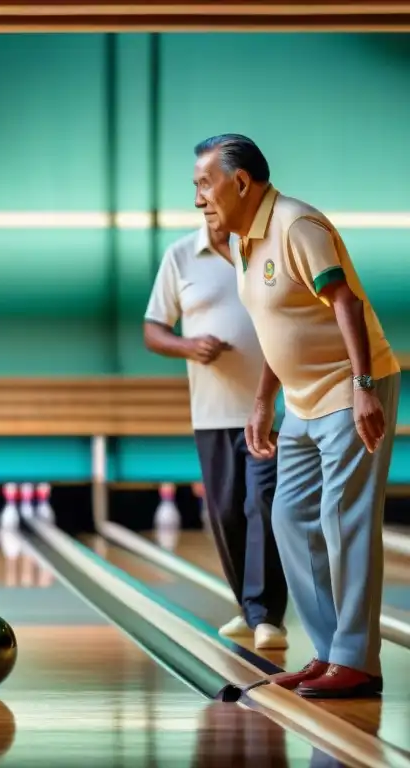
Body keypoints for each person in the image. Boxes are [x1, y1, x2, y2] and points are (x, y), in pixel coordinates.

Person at [192, 133, 400, 699]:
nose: (198, 199)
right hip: (303, 401)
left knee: (343, 519)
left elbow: (345, 304)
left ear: (239, 182)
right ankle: (331, 652)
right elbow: (276, 331)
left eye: (204, 185)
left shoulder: (297, 226)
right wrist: (263, 401)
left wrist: (363, 389)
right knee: (289, 517)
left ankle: (357, 660)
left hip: (350, 388)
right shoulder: (242, 242)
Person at [144, 220, 288, 650]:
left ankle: (267, 617)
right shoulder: (181, 255)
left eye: (207, 186)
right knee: (225, 513)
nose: (201, 199)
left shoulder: (269, 250)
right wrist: (188, 347)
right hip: (211, 414)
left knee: (261, 503)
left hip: (272, 411)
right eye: (198, 188)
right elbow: (153, 330)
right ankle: (250, 609)